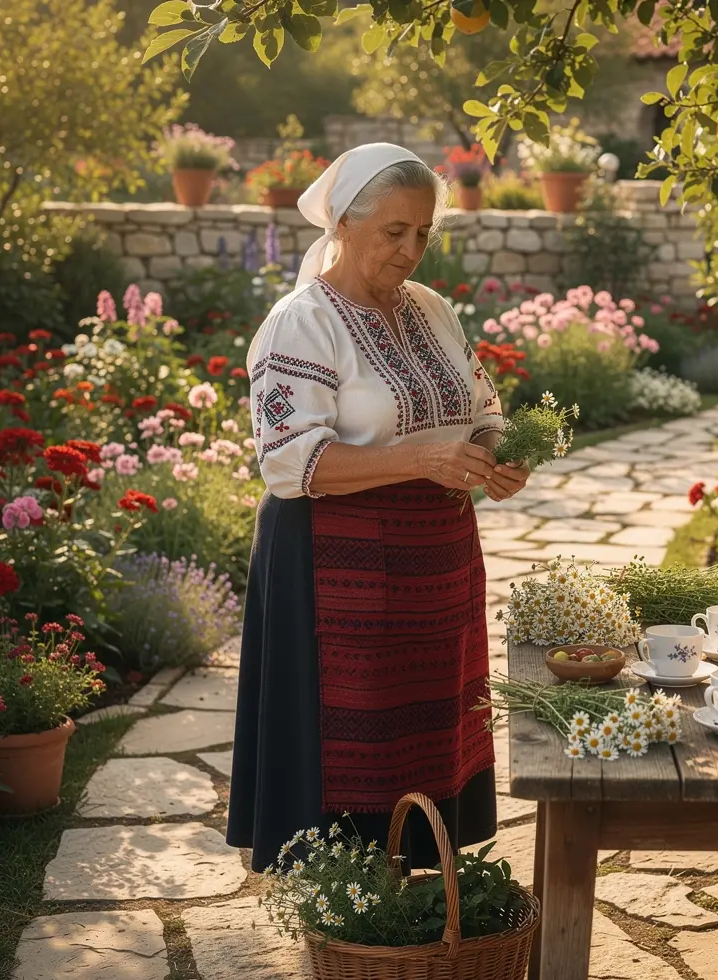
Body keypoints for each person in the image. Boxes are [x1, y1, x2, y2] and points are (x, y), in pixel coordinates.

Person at [226, 143, 530, 872]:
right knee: (351, 732)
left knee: (426, 726)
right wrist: (421, 458)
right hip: (335, 566)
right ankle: (349, 899)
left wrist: (496, 449)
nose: (411, 249)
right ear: (344, 222)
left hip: (436, 569)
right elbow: (290, 463)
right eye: (394, 231)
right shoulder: (302, 322)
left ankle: (422, 879)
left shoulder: (432, 310)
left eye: (423, 232)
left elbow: (478, 404)